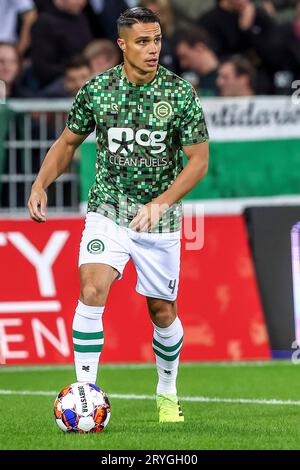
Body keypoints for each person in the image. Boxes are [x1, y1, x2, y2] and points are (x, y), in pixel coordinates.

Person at [27, 7, 209, 424]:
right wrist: (41, 183)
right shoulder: (96, 91)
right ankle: (85, 393)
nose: (152, 49)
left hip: (159, 220)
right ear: (122, 45)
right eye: (143, 41)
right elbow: (68, 142)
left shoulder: (181, 94)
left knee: (163, 313)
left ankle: (167, 392)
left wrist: (161, 202)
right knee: (92, 290)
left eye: (157, 39)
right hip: (108, 210)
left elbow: (198, 162)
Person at [30, 0, 93, 88]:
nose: (82, 2)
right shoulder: (44, 22)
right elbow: (42, 67)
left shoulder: (81, 15)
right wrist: (74, 75)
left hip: (85, 78)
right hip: (57, 84)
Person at [175, 28, 219, 96]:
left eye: (184, 57)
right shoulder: (188, 83)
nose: (182, 64)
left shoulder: (229, 79)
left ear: (199, 48)